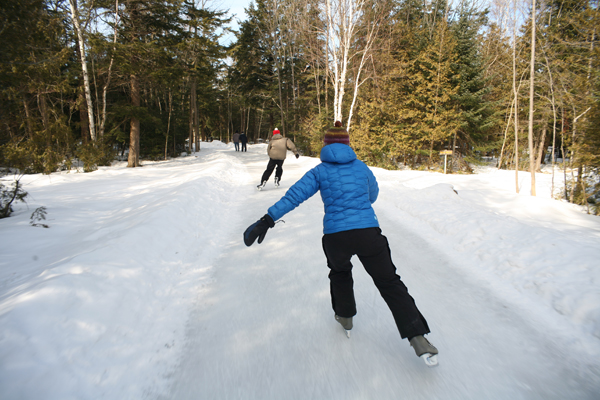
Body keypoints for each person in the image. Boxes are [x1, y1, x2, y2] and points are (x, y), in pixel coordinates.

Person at [243, 121, 439, 366]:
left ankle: (345, 317)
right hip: (368, 232)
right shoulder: (361, 167)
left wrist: (267, 220)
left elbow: (294, 195)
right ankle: (418, 337)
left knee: (340, 272)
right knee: (389, 282)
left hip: (336, 236)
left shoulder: (319, 171)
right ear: (348, 144)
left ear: (325, 145)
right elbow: (373, 195)